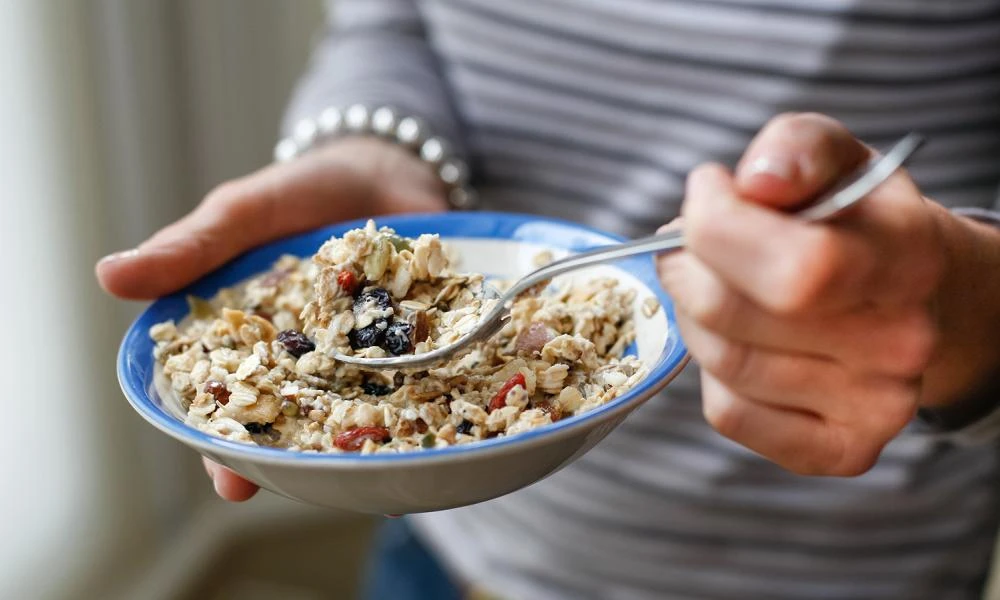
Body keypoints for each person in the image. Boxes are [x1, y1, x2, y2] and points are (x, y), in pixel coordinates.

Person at [96, 2, 1000, 598]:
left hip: (841, 563)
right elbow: (391, 21)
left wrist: (969, 302)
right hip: (456, 542)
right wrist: (374, 146)